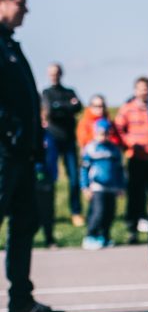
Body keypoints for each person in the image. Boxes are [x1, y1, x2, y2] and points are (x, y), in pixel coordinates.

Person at [0, 0, 64, 312]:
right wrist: (9, 133)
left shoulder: (10, 45)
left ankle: (21, 300)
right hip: (4, 152)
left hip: (22, 153)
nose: (25, 10)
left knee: (25, 223)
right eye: (20, 3)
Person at [114, 76, 148, 244]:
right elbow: (118, 129)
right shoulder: (127, 109)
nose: (144, 91)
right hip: (136, 158)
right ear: (135, 90)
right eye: (141, 88)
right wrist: (129, 143)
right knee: (135, 195)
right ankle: (132, 229)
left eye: (147, 88)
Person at [40, 62, 84, 226]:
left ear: (61, 73)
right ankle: (47, 214)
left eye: (56, 72)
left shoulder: (69, 91)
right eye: (51, 73)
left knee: (74, 178)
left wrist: (60, 107)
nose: (54, 75)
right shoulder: (47, 92)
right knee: (49, 179)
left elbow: (78, 106)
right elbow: (50, 110)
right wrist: (67, 106)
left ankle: (76, 212)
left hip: (69, 141)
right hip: (53, 140)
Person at [80, 118, 125, 249]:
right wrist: (85, 187)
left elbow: (119, 170)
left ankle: (104, 236)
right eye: (100, 133)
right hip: (97, 187)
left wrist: (121, 186)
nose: (103, 136)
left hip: (111, 187)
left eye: (106, 133)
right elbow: (84, 169)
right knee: (98, 212)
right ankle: (90, 235)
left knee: (109, 213)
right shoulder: (91, 148)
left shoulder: (114, 150)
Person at [35, 121, 58, 247]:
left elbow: (52, 158)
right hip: (30, 178)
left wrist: (53, 176)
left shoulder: (49, 136)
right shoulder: (28, 134)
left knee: (47, 211)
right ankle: (24, 240)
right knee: (30, 212)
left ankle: (49, 238)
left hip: (47, 178)